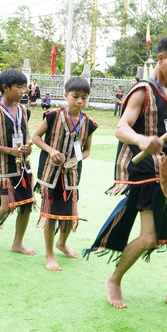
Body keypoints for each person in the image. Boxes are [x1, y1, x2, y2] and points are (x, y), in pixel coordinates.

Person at [85, 36, 167, 309]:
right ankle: (114, 280)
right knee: (149, 238)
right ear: (160, 59)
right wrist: (140, 140)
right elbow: (121, 127)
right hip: (147, 173)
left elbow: (165, 126)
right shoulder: (142, 90)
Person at [32, 77, 98, 271]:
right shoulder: (52, 116)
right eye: (75, 96)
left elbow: (86, 150)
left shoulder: (89, 124)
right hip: (50, 173)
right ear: (65, 96)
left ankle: (62, 243)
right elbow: (36, 137)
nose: (80, 101)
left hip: (71, 176)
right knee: (50, 214)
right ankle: (49, 254)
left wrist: (76, 160)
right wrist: (52, 151)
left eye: (84, 98)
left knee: (70, 214)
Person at [0, 69, 36, 254]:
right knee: (5, 207)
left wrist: (28, 145)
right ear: (5, 88)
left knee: (27, 205)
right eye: (19, 87)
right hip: (3, 167)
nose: (23, 91)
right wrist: (9, 151)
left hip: (22, 165)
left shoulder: (23, 110)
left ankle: (17, 243)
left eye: (24, 87)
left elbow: (26, 133)